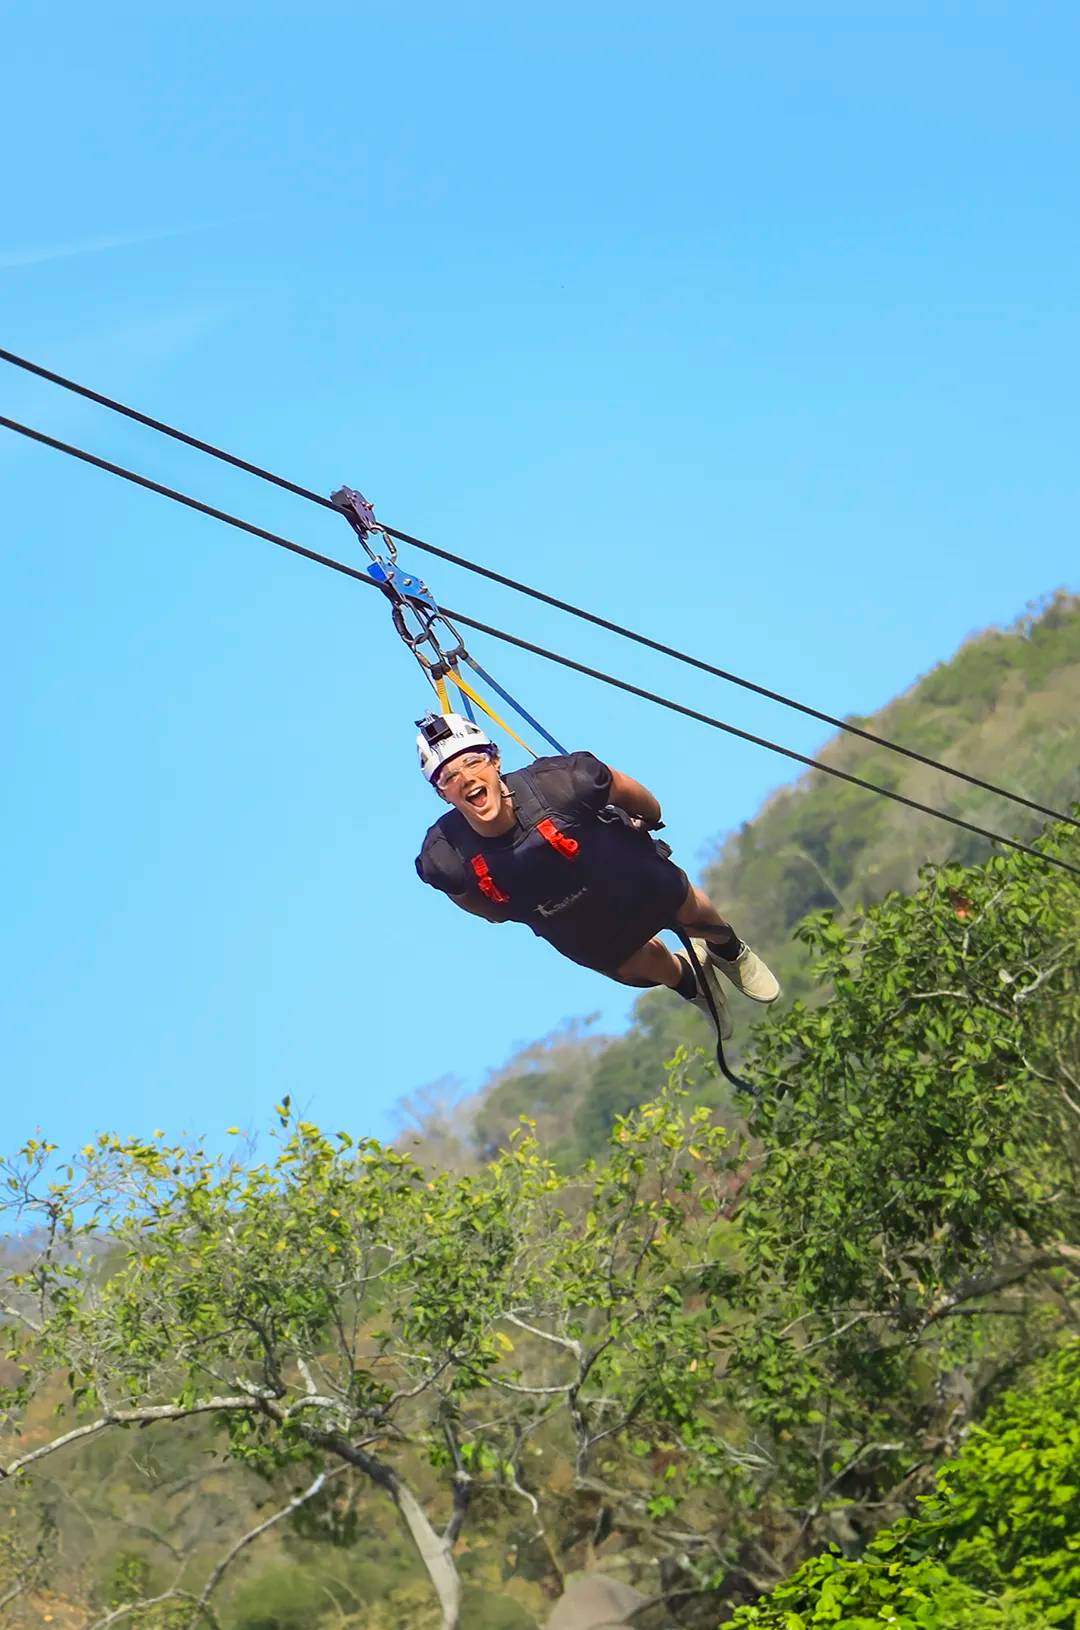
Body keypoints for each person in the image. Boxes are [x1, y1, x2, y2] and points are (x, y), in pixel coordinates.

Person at [414, 713, 780, 1035]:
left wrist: (648, 819)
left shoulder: (562, 782)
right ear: (443, 794)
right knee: (638, 966)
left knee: (689, 910)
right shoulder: (445, 855)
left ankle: (728, 951)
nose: (465, 778)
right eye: (448, 777)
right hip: (573, 921)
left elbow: (629, 792)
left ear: (495, 761)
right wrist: (516, 909)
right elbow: (478, 905)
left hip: (626, 876)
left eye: (473, 762)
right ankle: (691, 981)